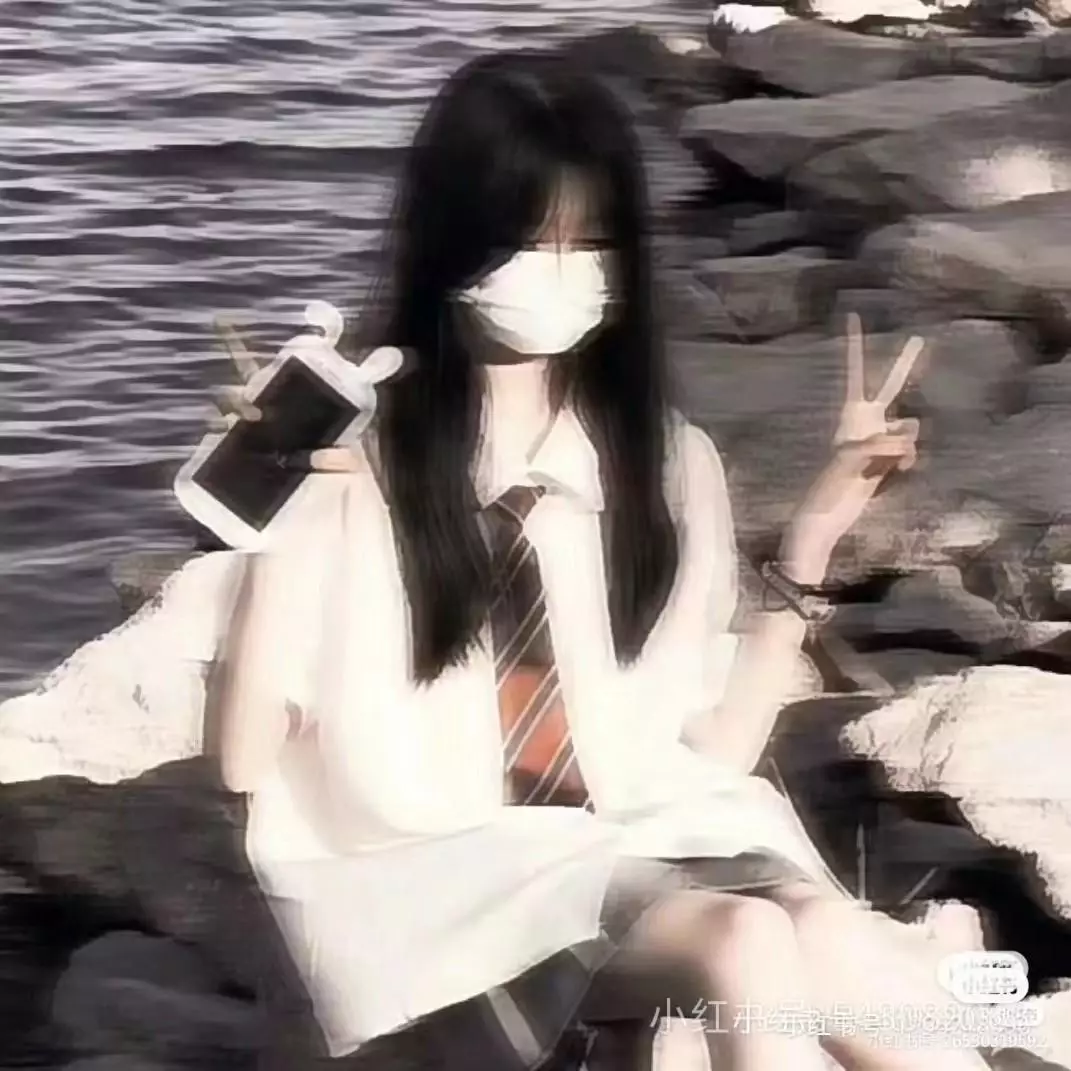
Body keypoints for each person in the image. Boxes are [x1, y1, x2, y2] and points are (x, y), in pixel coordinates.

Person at [205, 48, 991, 1071]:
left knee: (825, 928)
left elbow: (712, 749)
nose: (561, 271)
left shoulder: (662, 465)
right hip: (439, 894)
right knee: (747, 938)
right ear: (456, 247)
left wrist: (814, 533)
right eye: (530, 241)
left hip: (630, 842)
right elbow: (243, 760)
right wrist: (276, 514)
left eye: (589, 243)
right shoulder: (358, 473)